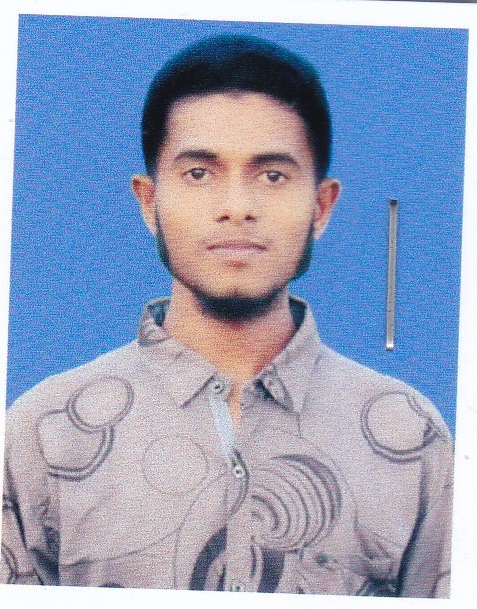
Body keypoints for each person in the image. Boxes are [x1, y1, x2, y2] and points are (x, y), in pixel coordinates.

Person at [1, 34, 453, 596]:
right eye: (199, 173)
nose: (236, 207)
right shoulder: (43, 434)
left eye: (272, 176)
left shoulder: (412, 437)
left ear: (321, 207)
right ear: (149, 202)